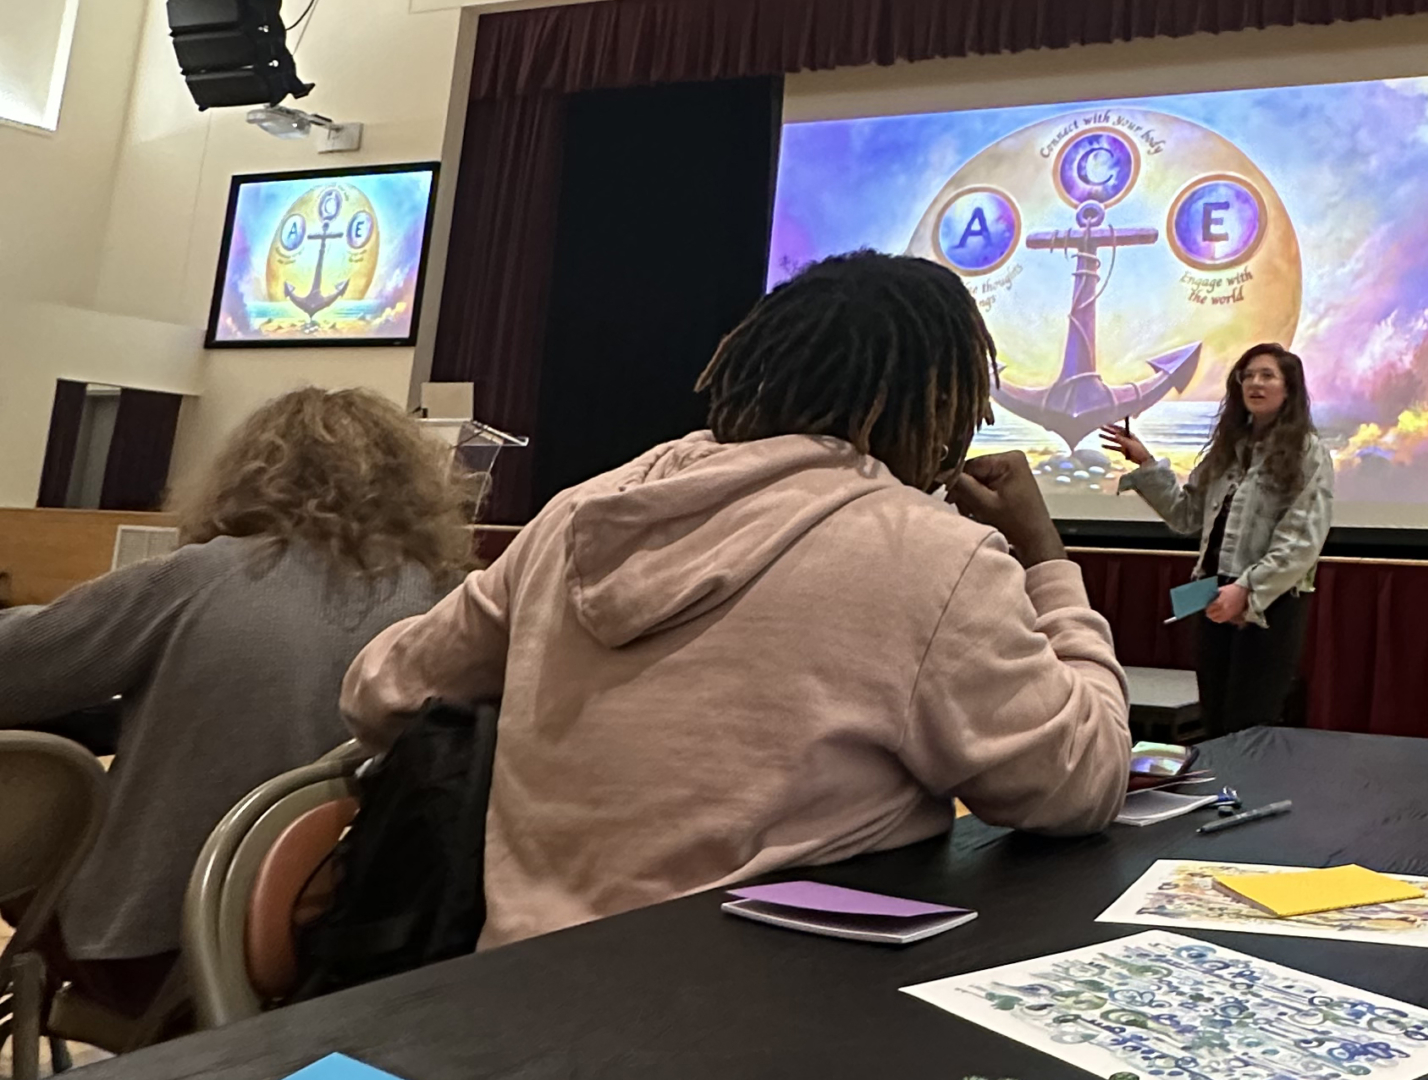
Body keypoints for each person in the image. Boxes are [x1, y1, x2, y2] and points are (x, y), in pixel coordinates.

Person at [341, 250, 1132, 949]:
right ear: (942, 410)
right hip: (771, 1019)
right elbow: (1079, 782)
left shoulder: (578, 513)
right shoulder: (932, 552)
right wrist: (1047, 560)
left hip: (520, 999)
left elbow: (382, 691)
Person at [0, 387, 470, 1014]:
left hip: (157, 955)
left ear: (248, 474)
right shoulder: (454, 606)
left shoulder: (200, 578)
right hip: (364, 952)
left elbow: (15, 669)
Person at [1101, 344, 1334, 737]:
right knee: (1215, 720)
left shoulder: (1308, 453)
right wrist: (1145, 463)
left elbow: (1301, 540)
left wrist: (1246, 589)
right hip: (1212, 595)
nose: (1255, 383)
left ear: (1289, 389)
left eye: (1267, 375)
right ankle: (1218, 798)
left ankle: (1252, 797)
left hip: (1267, 605)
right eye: (1247, 375)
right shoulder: (1228, 450)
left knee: (1249, 723)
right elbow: (1186, 514)